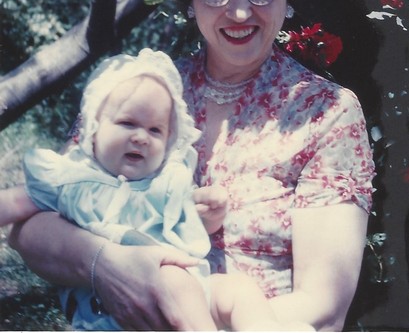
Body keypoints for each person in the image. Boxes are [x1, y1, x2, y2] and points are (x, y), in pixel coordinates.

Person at [10, 0, 377, 331]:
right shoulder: (143, 89)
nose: (239, 11)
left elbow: (324, 306)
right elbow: (32, 226)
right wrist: (104, 264)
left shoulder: (325, 112)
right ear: (190, 1)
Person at [1, 47, 308, 331]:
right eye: (127, 123)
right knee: (171, 277)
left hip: (190, 294)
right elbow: (16, 203)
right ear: (93, 128)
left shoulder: (165, 183)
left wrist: (209, 213)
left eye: (155, 130)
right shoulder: (72, 180)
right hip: (115, 304)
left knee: (237, 289)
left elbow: (191, 227)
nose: (141, 138)